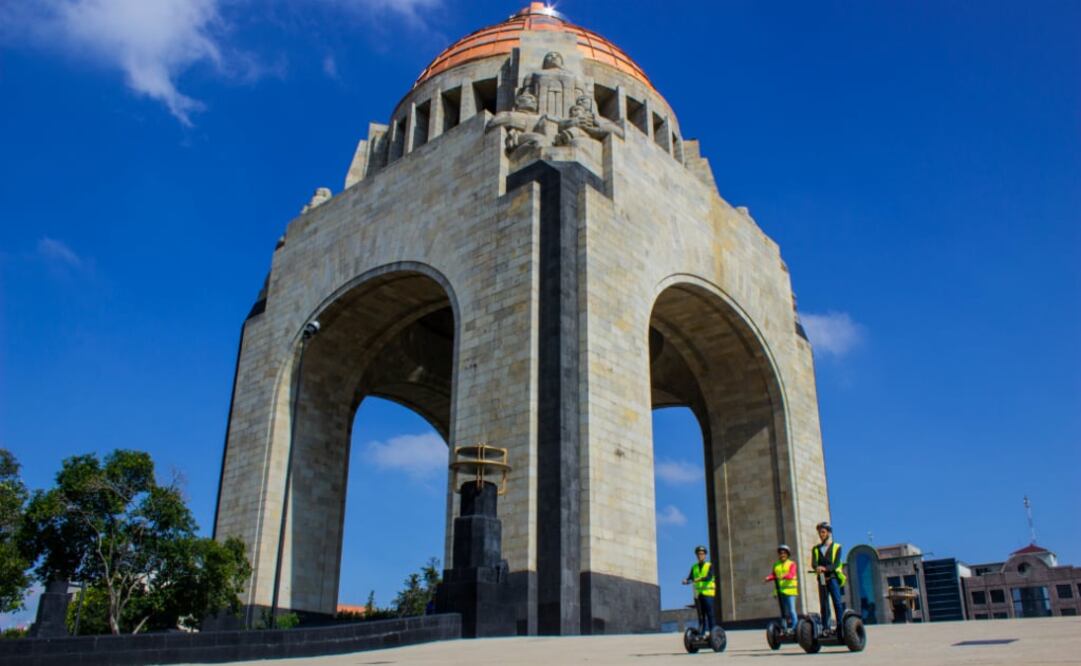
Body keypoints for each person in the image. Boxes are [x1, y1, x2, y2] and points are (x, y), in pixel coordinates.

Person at [811, 522, 847, 633]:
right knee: (824, 603)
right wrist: (817, 567)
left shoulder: (837, 547)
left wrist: (825, 569)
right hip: (821, 577)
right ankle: (826, 627)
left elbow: (836, 564)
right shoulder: (816, 549)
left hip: (832, 576)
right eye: (819, 533)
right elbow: (814, 563)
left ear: (828, 533)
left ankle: (840, 626)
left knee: (837, 602)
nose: (821, 535)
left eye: (823, 532)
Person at [763, 544, 798, 633]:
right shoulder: (776, 565)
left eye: (784, 553)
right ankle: (784, 628)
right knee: (783, 612)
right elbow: (774, 575)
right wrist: (768, 578)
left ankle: (795, 628)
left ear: (787, 554)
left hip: (790, 591)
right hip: (780, 591)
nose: (782, 555)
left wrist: (784, 576)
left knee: (791, 610)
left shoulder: (792, 564)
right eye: (780, 553)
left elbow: (791, 574)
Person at [682, 545, 716, 634]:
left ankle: (713, 633)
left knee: (710, 614)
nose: (700, 556)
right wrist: (686, 580)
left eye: (702, 554)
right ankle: (701, 633)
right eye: (698, 554)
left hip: (708, 594)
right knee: (701, 616)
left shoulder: (709, 565)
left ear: (705, 555)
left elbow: (709, 577)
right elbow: (691, 578)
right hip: (698, 595)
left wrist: (699, 579)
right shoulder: (694, 567)